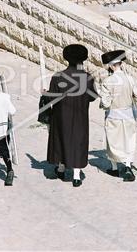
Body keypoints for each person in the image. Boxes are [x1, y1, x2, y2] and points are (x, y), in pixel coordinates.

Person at [44, 44, 97, 187]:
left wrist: (45, 93)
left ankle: (61, 168)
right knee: (78, 142)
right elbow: (92, 97)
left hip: (61, 115)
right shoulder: (87, 78)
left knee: (61, 139)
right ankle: (76, 175)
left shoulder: (58, 76)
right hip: (80, 116)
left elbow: (52, 98)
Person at [99, 50, 137, 182]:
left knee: (113, 143)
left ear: (110, 66)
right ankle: (127, 166)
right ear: (120, 64)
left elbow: (106, 103)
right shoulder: (130, 79)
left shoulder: (107, 81)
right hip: (129, 116)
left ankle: (114, 169)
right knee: (129, 141)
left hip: (113, 116)